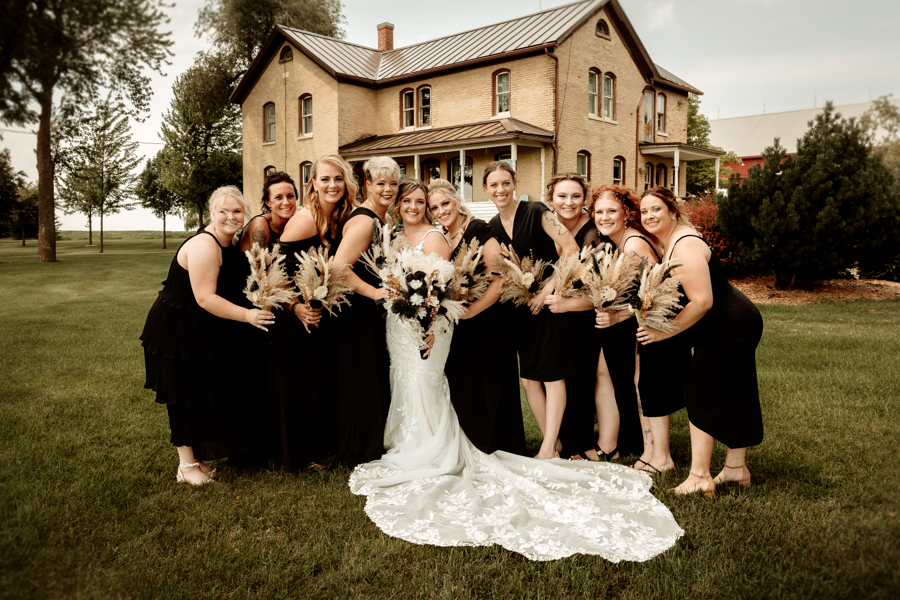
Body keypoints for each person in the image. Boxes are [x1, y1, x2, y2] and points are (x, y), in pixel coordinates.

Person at [348, 180, 684, 562]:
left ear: (453, 202)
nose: (435, 209)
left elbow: (504, 275)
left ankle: (559, 444)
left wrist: (530, 296)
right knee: (514, 380)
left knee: (547, 377)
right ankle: (544, 441)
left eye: (437, 203)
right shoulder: (435, 234)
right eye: (428, 204)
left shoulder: (491, 226)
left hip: (507, 317)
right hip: (445, 323)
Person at [141, 186, 274, 485]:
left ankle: (196, 461)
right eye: (223, 211)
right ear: (211, 213)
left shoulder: (232, 242)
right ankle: (186, 466)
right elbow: (204, 298)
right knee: (183, 395)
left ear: (245, 215)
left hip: (200, 327)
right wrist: (248, 316)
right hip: (177, 329)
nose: (230, 216)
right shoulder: (206, 244)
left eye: (237, 211)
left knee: (198, 392)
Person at [637, 186, 764, 497]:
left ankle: (699, 476)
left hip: (729, 326)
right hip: (731, 323)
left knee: (699, 394)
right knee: (736, 391)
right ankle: (735, 469)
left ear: (672, 211)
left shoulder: (684, 246)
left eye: (656, 209)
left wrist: (663, 332)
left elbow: (702, 301)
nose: (649, 216)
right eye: (644, 211)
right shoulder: (670, 242)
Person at [485, 161, 580, 459]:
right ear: (486, 190)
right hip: (522, 313)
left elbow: (572, 249)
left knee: (552, 378)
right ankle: (554, 443)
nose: (500, 189)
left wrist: (548, 290)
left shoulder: (538, 211)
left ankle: (548, 447)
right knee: (528, 380)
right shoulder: (492, 227)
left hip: (551, 306)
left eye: (505, 183)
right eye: (493, 185)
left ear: (514, 184)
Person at [267, 157, 357, 470]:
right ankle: (296, 456)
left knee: (321, 380)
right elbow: (275, 271)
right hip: (293, 316)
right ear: (313, 184)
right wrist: (296, 307)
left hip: (320, 312)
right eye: (325, 179)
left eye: (338, 179)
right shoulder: (304, 220)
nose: (332, 185)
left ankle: (319, 446)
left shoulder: (342, 217)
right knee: (302, 384)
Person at [426, 179, 526, 455]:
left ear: (457, 200)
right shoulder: (446, 238)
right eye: (434, 208)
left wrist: (471, 312)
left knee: (494, 381)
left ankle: (501, 441)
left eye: (445, 203)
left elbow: (501, 278)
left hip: (491, 320)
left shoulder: (480, 230)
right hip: (464, 323)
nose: (441, 211)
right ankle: (474, 438)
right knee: (468, 382)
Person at [332, 156, 397, 465]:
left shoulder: (383, 218)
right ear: (368, 185)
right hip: (358, 311)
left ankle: (373, 441)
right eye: (381, 183)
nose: (388, 189)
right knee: (362, 378)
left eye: (393, 183)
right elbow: (338, 267)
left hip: (373, 313)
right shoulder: (364, 220)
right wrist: (374, 292)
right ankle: (359, 447)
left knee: (373, 377)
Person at [591, 185, 661, 465]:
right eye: (599, 211)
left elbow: (654, 292)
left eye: (612, 211)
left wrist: (617, 317)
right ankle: (620, 442)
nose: (604, 217)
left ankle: (652, 450)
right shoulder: (616, 243)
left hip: (649, 326)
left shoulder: (633, 245)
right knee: (608, 373)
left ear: (627, 214)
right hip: (631, 324)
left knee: (640, 384)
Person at [540, 173, 605, 462]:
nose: (569, 202)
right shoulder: (547, 225)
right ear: (551, 199)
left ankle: (579, 442)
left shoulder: (592, 234)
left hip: (580, 316)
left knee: (580, 380)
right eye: (562, 196)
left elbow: (602, 289)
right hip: (551, 315)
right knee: (554, 380)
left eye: (575, 196)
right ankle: (559, 439)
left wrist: (567, 304)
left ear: (585, 200)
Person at [238, 171, 298, 252]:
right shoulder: (259, 224)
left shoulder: (296, 221)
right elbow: (261, 263)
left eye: (290, 196)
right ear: (268, 202)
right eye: (278, 197)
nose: (286, 202)